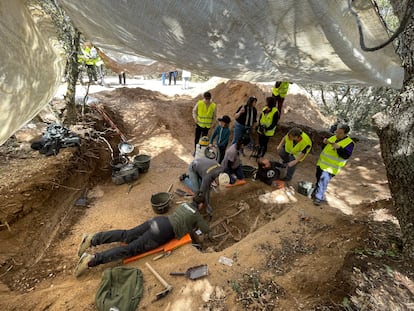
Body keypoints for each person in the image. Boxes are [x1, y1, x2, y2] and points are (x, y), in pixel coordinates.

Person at [74, 191, 210, 277]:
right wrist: (199, 226)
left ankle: (92, 238)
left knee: (127, 235)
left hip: (158, 221)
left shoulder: (184, 204)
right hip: (163, 232)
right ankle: (92, 260)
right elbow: (206, 229)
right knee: (130, 249)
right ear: (201, 205)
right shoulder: (197, 214)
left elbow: (184, 219)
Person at [313, 124, 355, 206]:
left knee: (323, 180)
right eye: (336, 132)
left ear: (345, 134)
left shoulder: (350, 143)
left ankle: (318, 198)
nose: (337, 134)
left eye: (340, 133)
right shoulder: (333, 138)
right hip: (321, 163)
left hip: (331, 167)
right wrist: (324, 143)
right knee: (319, 179)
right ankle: (317, 192)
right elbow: (326, 149)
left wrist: (339, 148)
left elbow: (346, 155)